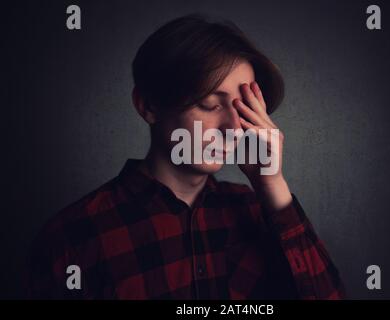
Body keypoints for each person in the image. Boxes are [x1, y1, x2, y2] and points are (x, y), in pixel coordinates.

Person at [27, 14, 345, 299]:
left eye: (244, 108)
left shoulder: (258, 211)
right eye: (210, 104)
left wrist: (272, 184)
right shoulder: (74, 236)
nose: (234, 127)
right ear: (149, 105)